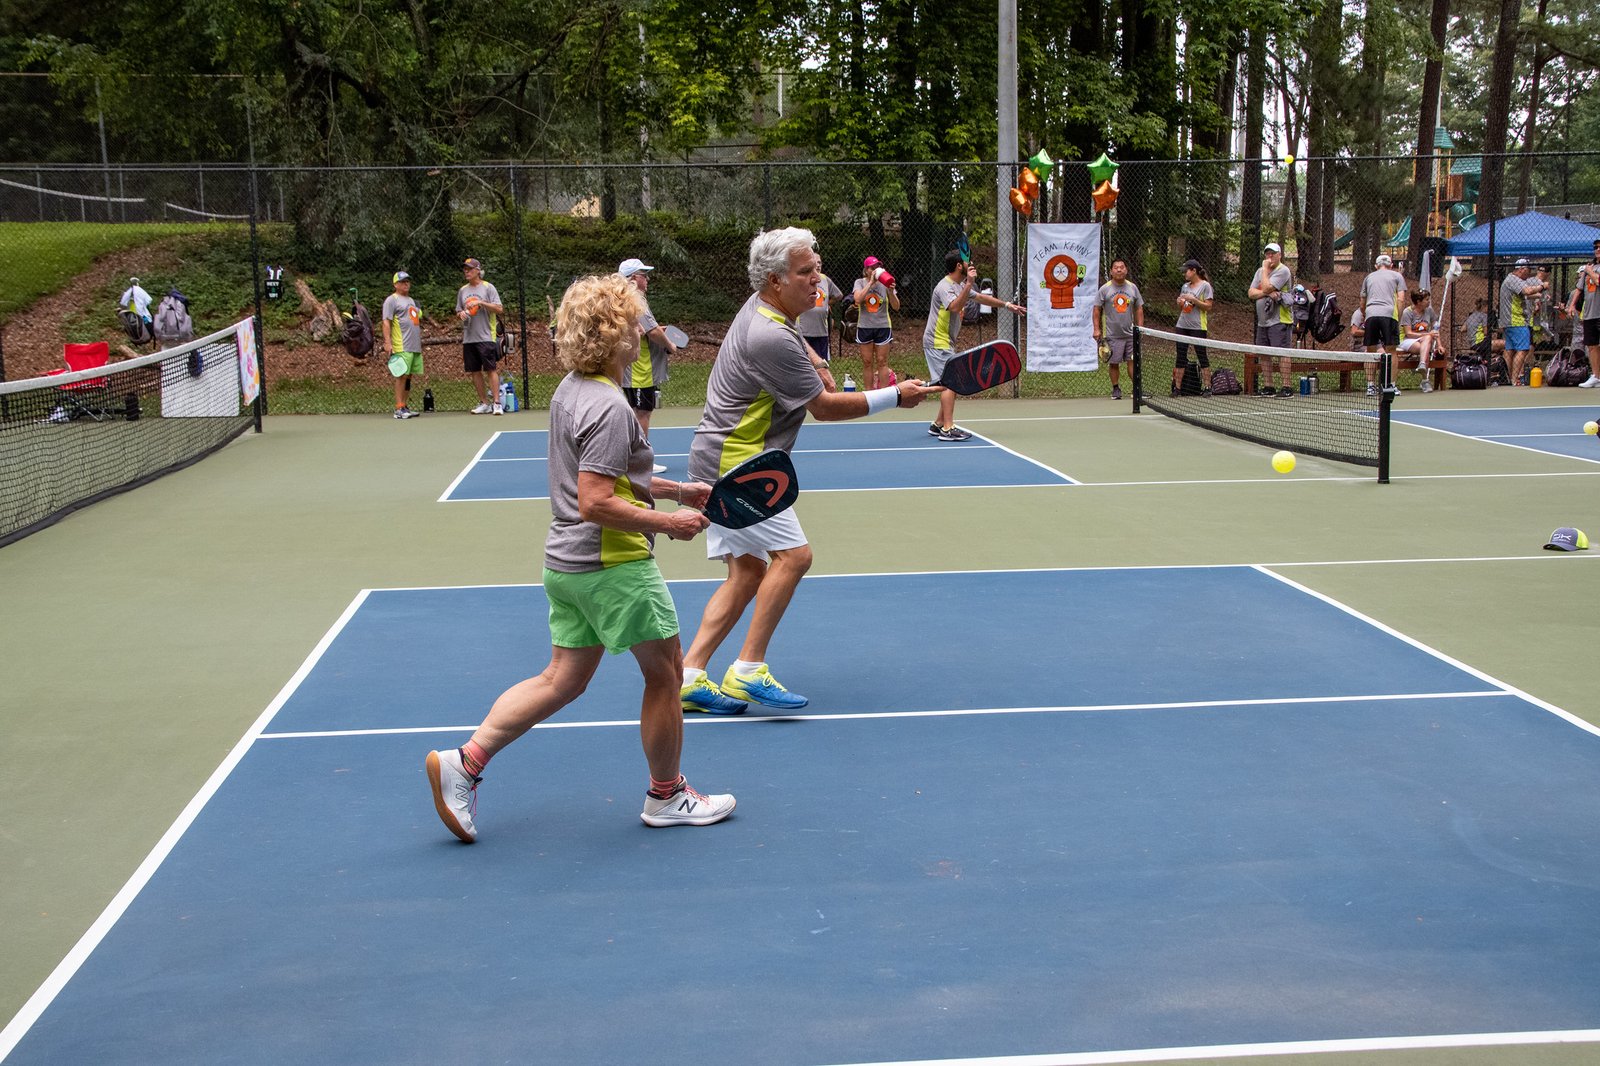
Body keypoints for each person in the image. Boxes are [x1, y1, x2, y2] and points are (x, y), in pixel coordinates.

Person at [425, 272, 733, 842]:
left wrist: (676, 490)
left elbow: (605, 478)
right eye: (634, 322)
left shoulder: (572, 389)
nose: (641, 331)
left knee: (562, 678)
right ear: (617, 335)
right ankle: (667, 797)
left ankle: (463, 764)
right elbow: (595, 500)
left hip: (566, 566)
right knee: (665, 673)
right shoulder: (612, 407)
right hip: (613, 566)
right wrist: (670, 523)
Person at [678, 227, 935, 716]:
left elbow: (793, 349)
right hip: (742, 463)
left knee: (749, 570)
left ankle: (689, 676)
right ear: (774, 280)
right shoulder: (770, 334)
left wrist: (814, 357)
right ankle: (749, 670)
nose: (816, 277)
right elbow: (824, 408)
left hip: (716, 458)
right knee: (795, 557)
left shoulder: (765, 311)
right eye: (805, 271)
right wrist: (894, 395)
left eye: (815, 266)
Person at [923, 249, 1026, 440]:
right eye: (966, 263)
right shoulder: (944, 287)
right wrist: (969, 283)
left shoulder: (958, 285)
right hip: (936, 342)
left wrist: (1006, 305)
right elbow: (954, 306)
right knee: (948, 383)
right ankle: (947, 429)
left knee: (948, 381)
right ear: (958, 266)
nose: (970, 265)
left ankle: (938, 424)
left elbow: (981, 297)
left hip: (944, 341)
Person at [619, 258, 679, 471]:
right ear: (633, 279)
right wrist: (670, 345)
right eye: (644, 275)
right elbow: (652, 332)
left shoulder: (621, 298)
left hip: (630, 367)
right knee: (642, 412)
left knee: (636, 411)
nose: (647, 279)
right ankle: (640, 462)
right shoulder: (635, 301)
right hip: (638, 369)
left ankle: (631, 457)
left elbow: (647, 328)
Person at [457, 257, 507, 414]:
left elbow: (499, 309)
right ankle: (484, 403)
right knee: (474, 371)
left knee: (491, 369)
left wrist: (481, 303)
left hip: (486, 336)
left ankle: (497, 403)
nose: (467, 272)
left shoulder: (488, 288)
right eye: (465, 269)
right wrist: (462, 315)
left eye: (470, 269)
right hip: (469, 337)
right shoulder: (462, 291)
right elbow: (458, 311)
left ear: (478, 271)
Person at [1092, 258, 1144, 401]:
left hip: (1130, 334)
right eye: (1116, 267)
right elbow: (1096, 310)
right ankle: (1116, 389)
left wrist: (1140, 328)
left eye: (1122, 267)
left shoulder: (1133, 288)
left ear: (1126, 270)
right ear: (1111, 271)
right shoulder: (1105, 289)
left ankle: (1136, 389)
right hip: (1112, 334)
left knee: (1132, 361)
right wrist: (1096, 329)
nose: (1119, 270)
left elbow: (1139, 308)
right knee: (1114, 363)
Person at [1248, 242, 1295, 396]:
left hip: (1280, 319)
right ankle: (1269, 387)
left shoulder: (1284, 271)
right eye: (1267, 254)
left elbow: (1266, 287)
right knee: (1264, 353)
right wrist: (1267, 291)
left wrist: (1265, 277)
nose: (1269, 257)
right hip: (1263, 321)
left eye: (1272, 254)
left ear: (1279, 255)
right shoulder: (1260, 271)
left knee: (1282, 352)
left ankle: (1287, 387)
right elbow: (1251, 293)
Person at [1359, 253, 1407, 395]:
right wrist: (1397, 317)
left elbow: (1362, 301)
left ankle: (1370, 386)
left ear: (1376, 266)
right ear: (1391, 265)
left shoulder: (1368, 277)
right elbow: (1401, 299)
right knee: (1391, 351)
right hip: (1389, 315)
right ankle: (1391, 386)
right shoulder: (1397, 276)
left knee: (1371, 351)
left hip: (1371, 314)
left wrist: (1365, 314)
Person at [852, 256, 900, 389]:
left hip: (882, 326)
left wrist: (891, 291)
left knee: (882, 361)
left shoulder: (886, 283)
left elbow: (896, 307)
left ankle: (883, 395)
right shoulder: (860, 282)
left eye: (877, 267)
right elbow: (857, 299)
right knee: (867, 362)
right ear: (866, 270)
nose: (875, 270)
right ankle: (869, 395)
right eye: (872, 268)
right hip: (865, 327)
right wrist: (871, 283)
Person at [382, 270, 424, 419]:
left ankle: (405, 406)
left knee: (409, 377)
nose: (406, 284)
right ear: (395, 284)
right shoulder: (391, 300)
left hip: (414, 346)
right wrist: (388, 342)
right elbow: (386, 321)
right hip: (401, 345)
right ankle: (398, 407)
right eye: (402, 282)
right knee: (401, 376)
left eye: (407, 281)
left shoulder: (412, 301)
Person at [1499, 258, 1544, 386]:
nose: (1529, 274)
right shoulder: (1514, 279)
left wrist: (1539, 295)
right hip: (1516, 321)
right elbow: (1527, 291)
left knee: (1510, 349)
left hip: (1509, 321)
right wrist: (1541, 286)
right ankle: (1514, 379)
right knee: (1523, 349)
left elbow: (1527, 295)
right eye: (1528, 270)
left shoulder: (1511, 280)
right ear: (1521, 269)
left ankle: (1507, 379)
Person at [1172, 258, 1214, 396]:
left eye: (1186, 271)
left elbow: (1208, 306)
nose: (1184, 273)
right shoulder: (1185, 287)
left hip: (1198, 326)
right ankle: (1177, 388)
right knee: (1180, 356)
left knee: (1202, 356)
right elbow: (1183, 306)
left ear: (1194, 271)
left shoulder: (1205, 286)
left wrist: (1194, 300)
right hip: (1182, 325)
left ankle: (1208, 387)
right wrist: (1181, 302)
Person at [1567, 238, 1600, 388]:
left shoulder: (1589, 269)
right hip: (1590, 313)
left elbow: (1598, 281)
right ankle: (1596, 376)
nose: (1597, 250)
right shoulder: (1589, 267)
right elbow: (1579, 289)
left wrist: (1590, 271)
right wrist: (1572, 305)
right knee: (1592, 346)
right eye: (1596, 247)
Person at [797, 258, 843, 361]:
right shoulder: (802, 279)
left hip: (821, 331)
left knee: (822, 363)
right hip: (804, 331)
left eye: (819, 262)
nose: (818, 265)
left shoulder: (825, 279)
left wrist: (827, 303)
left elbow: (838, 295)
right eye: (815, 262)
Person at [1398, 289, 1441, 393]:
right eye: (1426, 300)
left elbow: (1435, 330)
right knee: (1425, 345)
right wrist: (1428, 334)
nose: (1429, 301)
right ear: (1418, 301)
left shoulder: (1429, 311)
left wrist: (1439, 345)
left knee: (1427, 341)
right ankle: (1425, 381)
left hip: (1424, 340)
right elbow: (1408, 333)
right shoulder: (1407, 312)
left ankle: (1422, 365)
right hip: (1408, 340)